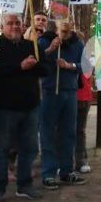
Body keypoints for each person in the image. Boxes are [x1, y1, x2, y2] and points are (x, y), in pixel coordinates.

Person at [0, 13, 47, 202]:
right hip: (5, 107)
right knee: (2, 148)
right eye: (10, 23)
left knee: (29, 148)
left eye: (17, 23)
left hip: (30, 105)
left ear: (23, 26)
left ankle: (25, 185)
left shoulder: (32, 45)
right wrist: (20, 66)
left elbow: (45, 70)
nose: (14, 26)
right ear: (1, 27)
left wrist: (33, 65)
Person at [37, 21, 86, 189]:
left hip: (70, 91)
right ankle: (49, 172)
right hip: (50, 90)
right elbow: (38, 61)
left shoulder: (77, 43)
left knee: (69, 132)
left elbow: (85, 65)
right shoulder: (44, 40)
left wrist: (70, 66)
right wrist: (50, 49)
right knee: (48, 132)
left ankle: (67, 170)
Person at [76, 69, 93, 174]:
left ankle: (81, 160)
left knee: (79, 131)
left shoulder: (83, 56)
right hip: (63, 94)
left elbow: (88, 72)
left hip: (82, 96)